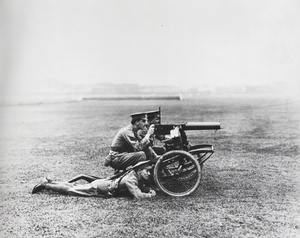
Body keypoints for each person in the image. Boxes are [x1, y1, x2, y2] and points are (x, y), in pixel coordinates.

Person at [32, 161, 156, 200]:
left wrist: (148, 189)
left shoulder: (136, 176)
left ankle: (50, 181)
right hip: (100, 189)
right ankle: (46, 185)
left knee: (74, 185)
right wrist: (149, 195)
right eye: (147, 171)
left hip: (102, 185)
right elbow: (138, 195)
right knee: (71, 190)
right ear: (139, 171)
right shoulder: (131, 179)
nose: (149, 173)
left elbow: (141, 187)